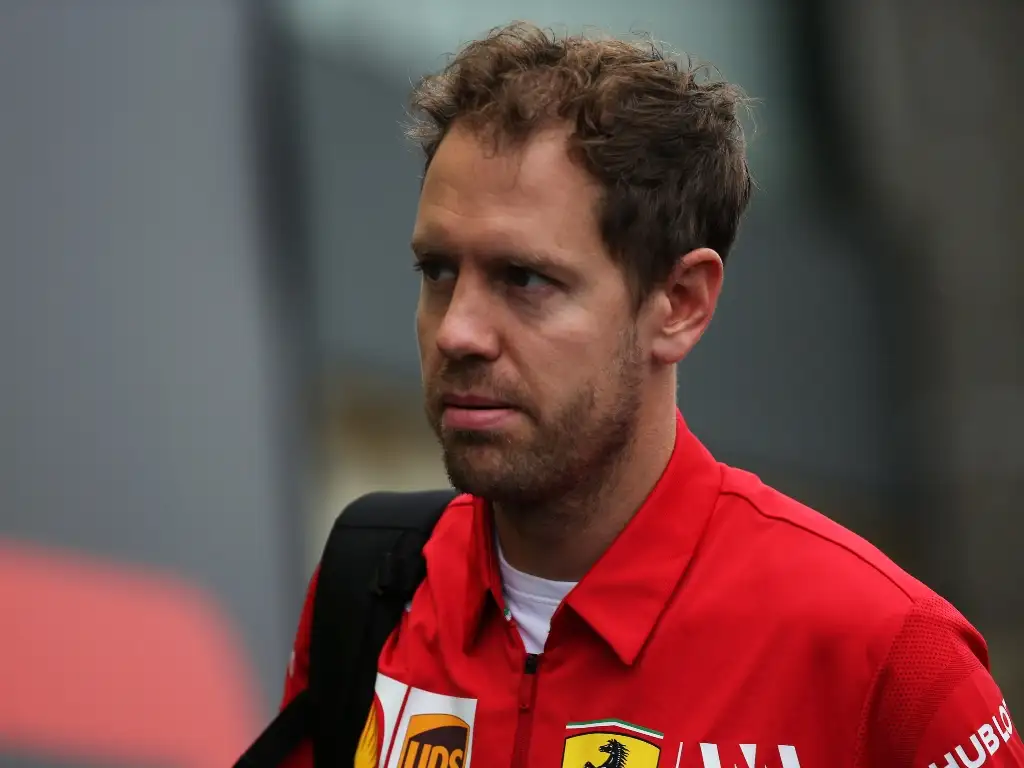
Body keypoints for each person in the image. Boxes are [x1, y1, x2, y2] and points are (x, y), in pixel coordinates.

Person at [280, 22, 1023, 768]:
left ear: (680, 304)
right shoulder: (373, 584)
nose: (458, 332)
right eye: (439, 272)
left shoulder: (886, 655)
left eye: (525, 279)